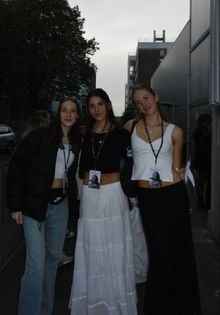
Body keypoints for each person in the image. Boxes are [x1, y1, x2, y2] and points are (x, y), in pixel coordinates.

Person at [124, 83, 202, 315]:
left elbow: (176, 167)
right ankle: (158, 308)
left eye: (146, 98)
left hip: (173, 196)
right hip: (147, 198)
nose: (143, 104)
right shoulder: (130, 127)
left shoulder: (175, 131)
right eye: (138, 102)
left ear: (156, 97)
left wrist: (188, 186)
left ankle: (181, 307)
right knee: (158, 253)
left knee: (178, 252)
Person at [6, 98, 81, 315]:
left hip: (60, 206)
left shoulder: (76, 141)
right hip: (34, 205)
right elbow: (17, 169)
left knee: (51, 264)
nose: (68, 114)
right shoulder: (42, 136)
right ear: (58, 114)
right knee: (36, 266)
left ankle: (44, 310)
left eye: (73, 111)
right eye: (64, 110)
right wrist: (15, 205)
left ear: (77, 115)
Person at [69, 88, 137, 314]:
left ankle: (115, 303)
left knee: (113, 249)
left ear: (107, 105)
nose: (96, 109)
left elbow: (130, 164)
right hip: (89, 196)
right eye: (91, 106)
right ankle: (94, 302)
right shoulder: (83, 133)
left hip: (113, 194)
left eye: (100, 104)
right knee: (92, 248)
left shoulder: (121, 133)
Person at [192, 113, 212, 210]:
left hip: (200, 160)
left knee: (200, 182)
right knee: (202, 182)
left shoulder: (198, 130)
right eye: (208, 121)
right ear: (205, 120)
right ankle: (200, 201)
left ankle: (200, 201)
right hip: (203, 161)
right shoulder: (203, 131)